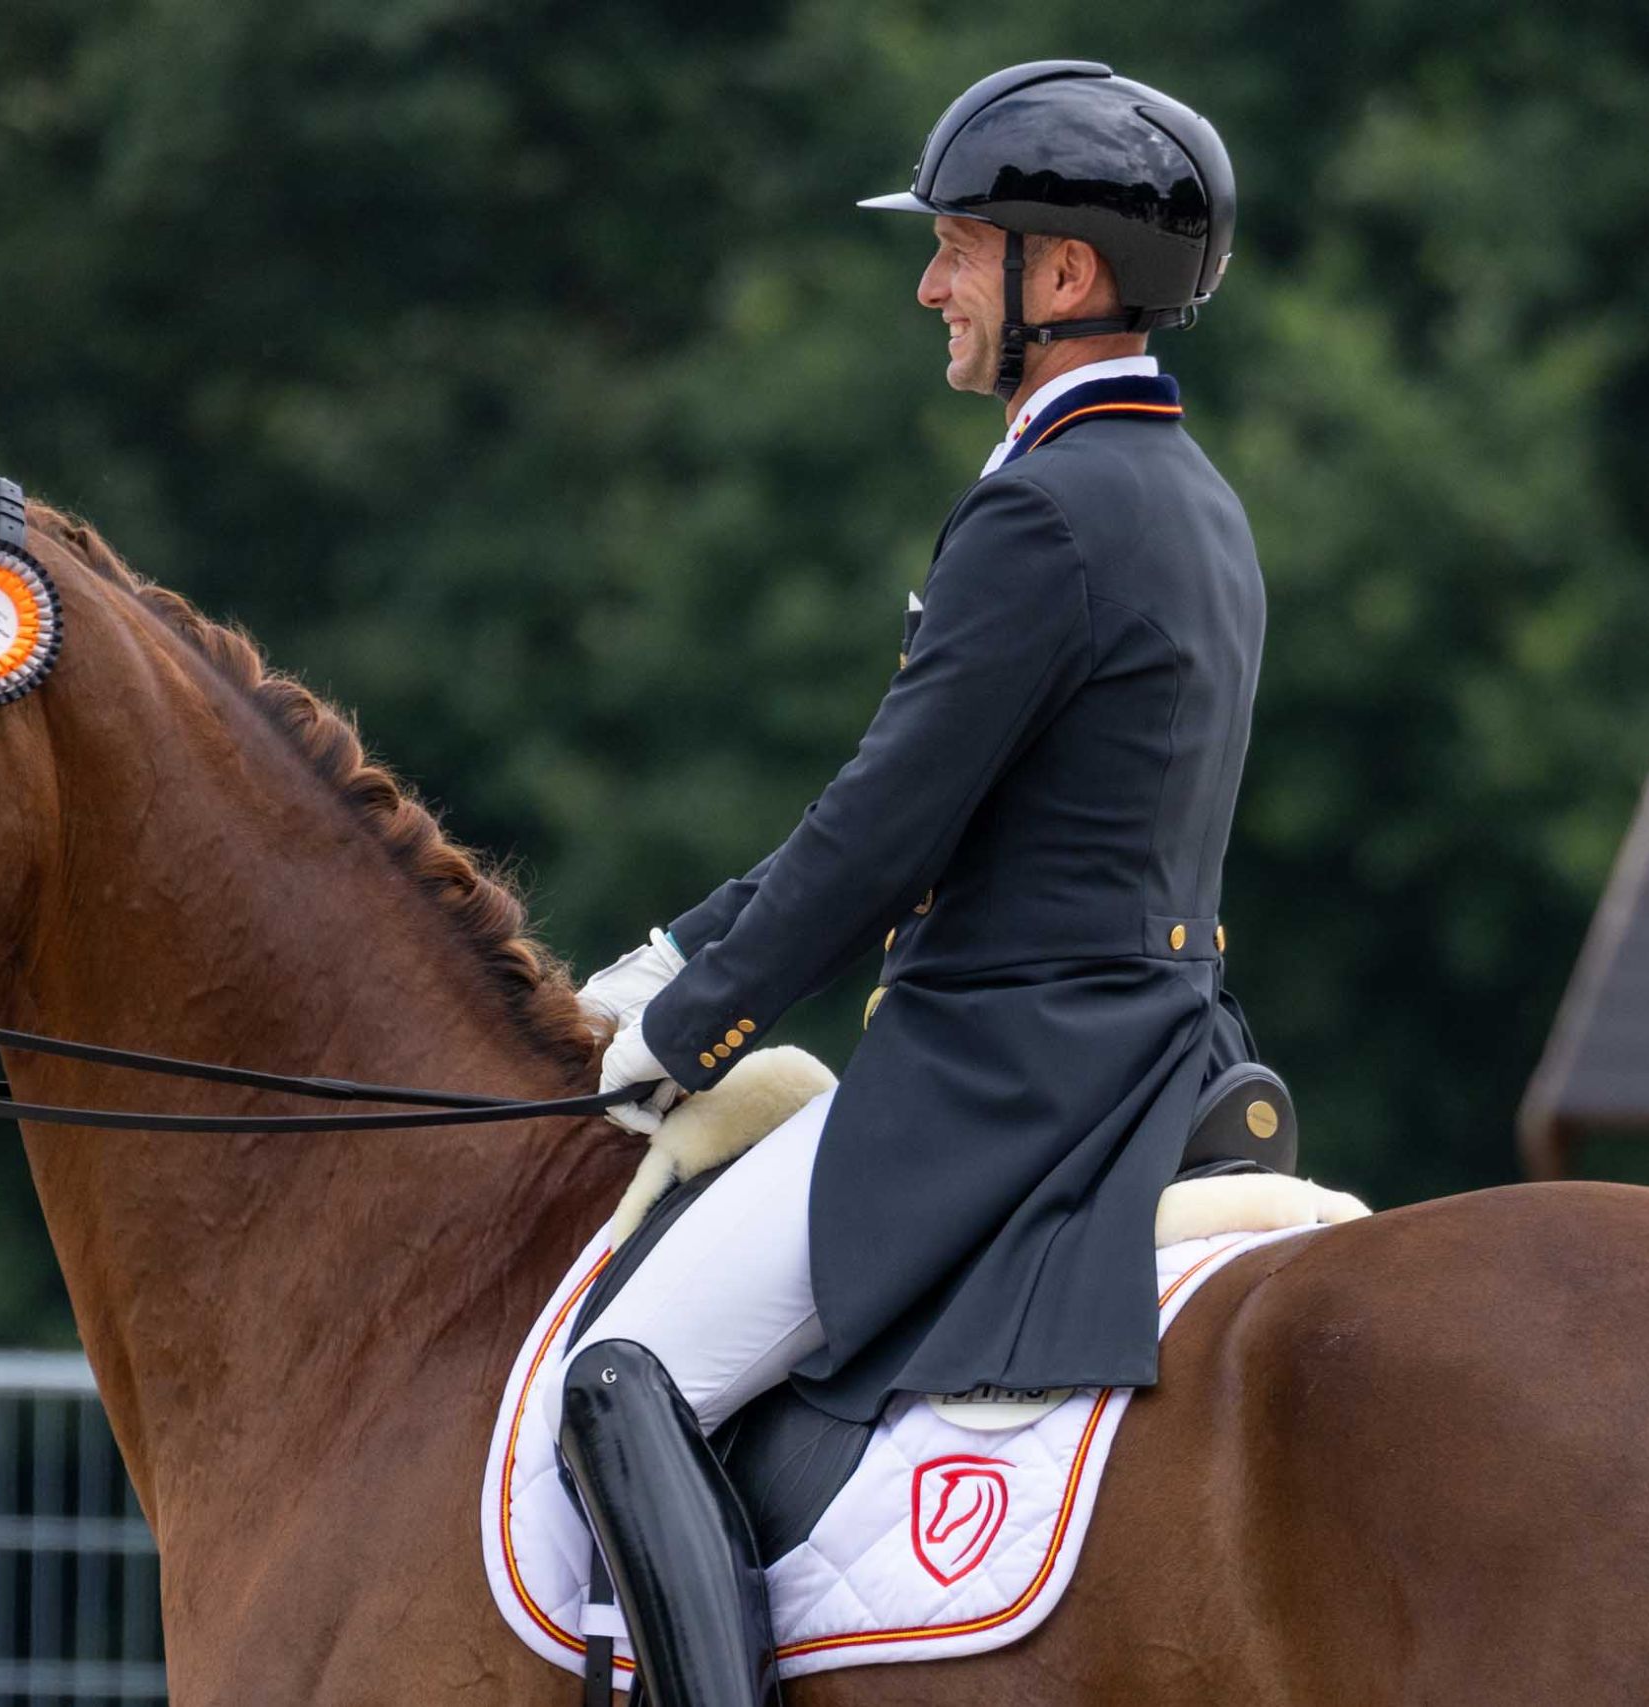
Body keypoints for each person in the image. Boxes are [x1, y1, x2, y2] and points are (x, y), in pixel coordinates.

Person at [557, 61, 1264, 1707]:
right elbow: (922, 812)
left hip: (1001, 1082)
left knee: (623, 1370)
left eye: (957, 246)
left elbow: (887, 834)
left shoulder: (1045, 511)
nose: (929, 284)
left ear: (1062, 277)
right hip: (1160, 1045)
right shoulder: (1191, 497)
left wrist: (700, 1019)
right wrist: (673, 947)